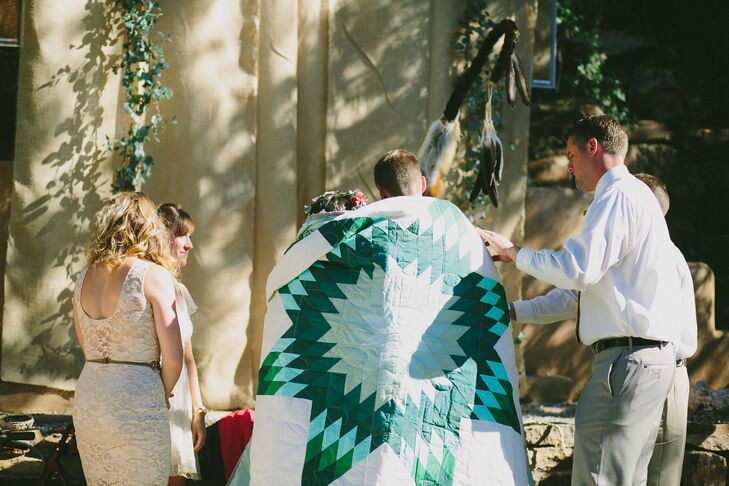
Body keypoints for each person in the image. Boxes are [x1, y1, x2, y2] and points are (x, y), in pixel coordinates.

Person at [480, 115, 686, 485]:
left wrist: (515, 253)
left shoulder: (618, 195)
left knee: (599, 477)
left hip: (626, 362)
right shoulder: (635, 199)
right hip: (642, 360)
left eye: (571, 154)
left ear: (593, 147)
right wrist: (511, 310)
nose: (568, 167)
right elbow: (579, 295)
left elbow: (578, 269)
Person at [509, 173, 696, 486]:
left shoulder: (660, 257)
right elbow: (573, 298)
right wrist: (514, 311)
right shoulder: (623, 257)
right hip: (655, 369)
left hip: (662, 370)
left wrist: (517, 255)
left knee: (653, 477)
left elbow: (575, 286)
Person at [73, 192, 183, 485]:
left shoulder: (83, 277)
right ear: (149, 227)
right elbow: (173, 359)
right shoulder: (154, 275)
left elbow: (87, 347)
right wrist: (159, 392)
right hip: (137, 399)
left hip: (91, 397)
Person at [158, 203, 207, 485]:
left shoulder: (180, 290)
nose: (189, 245)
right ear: (163, 238)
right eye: (182, 236)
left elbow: (188, 358)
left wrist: (197, 411)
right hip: (157, 398)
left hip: (180, 404)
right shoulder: (150, 285)